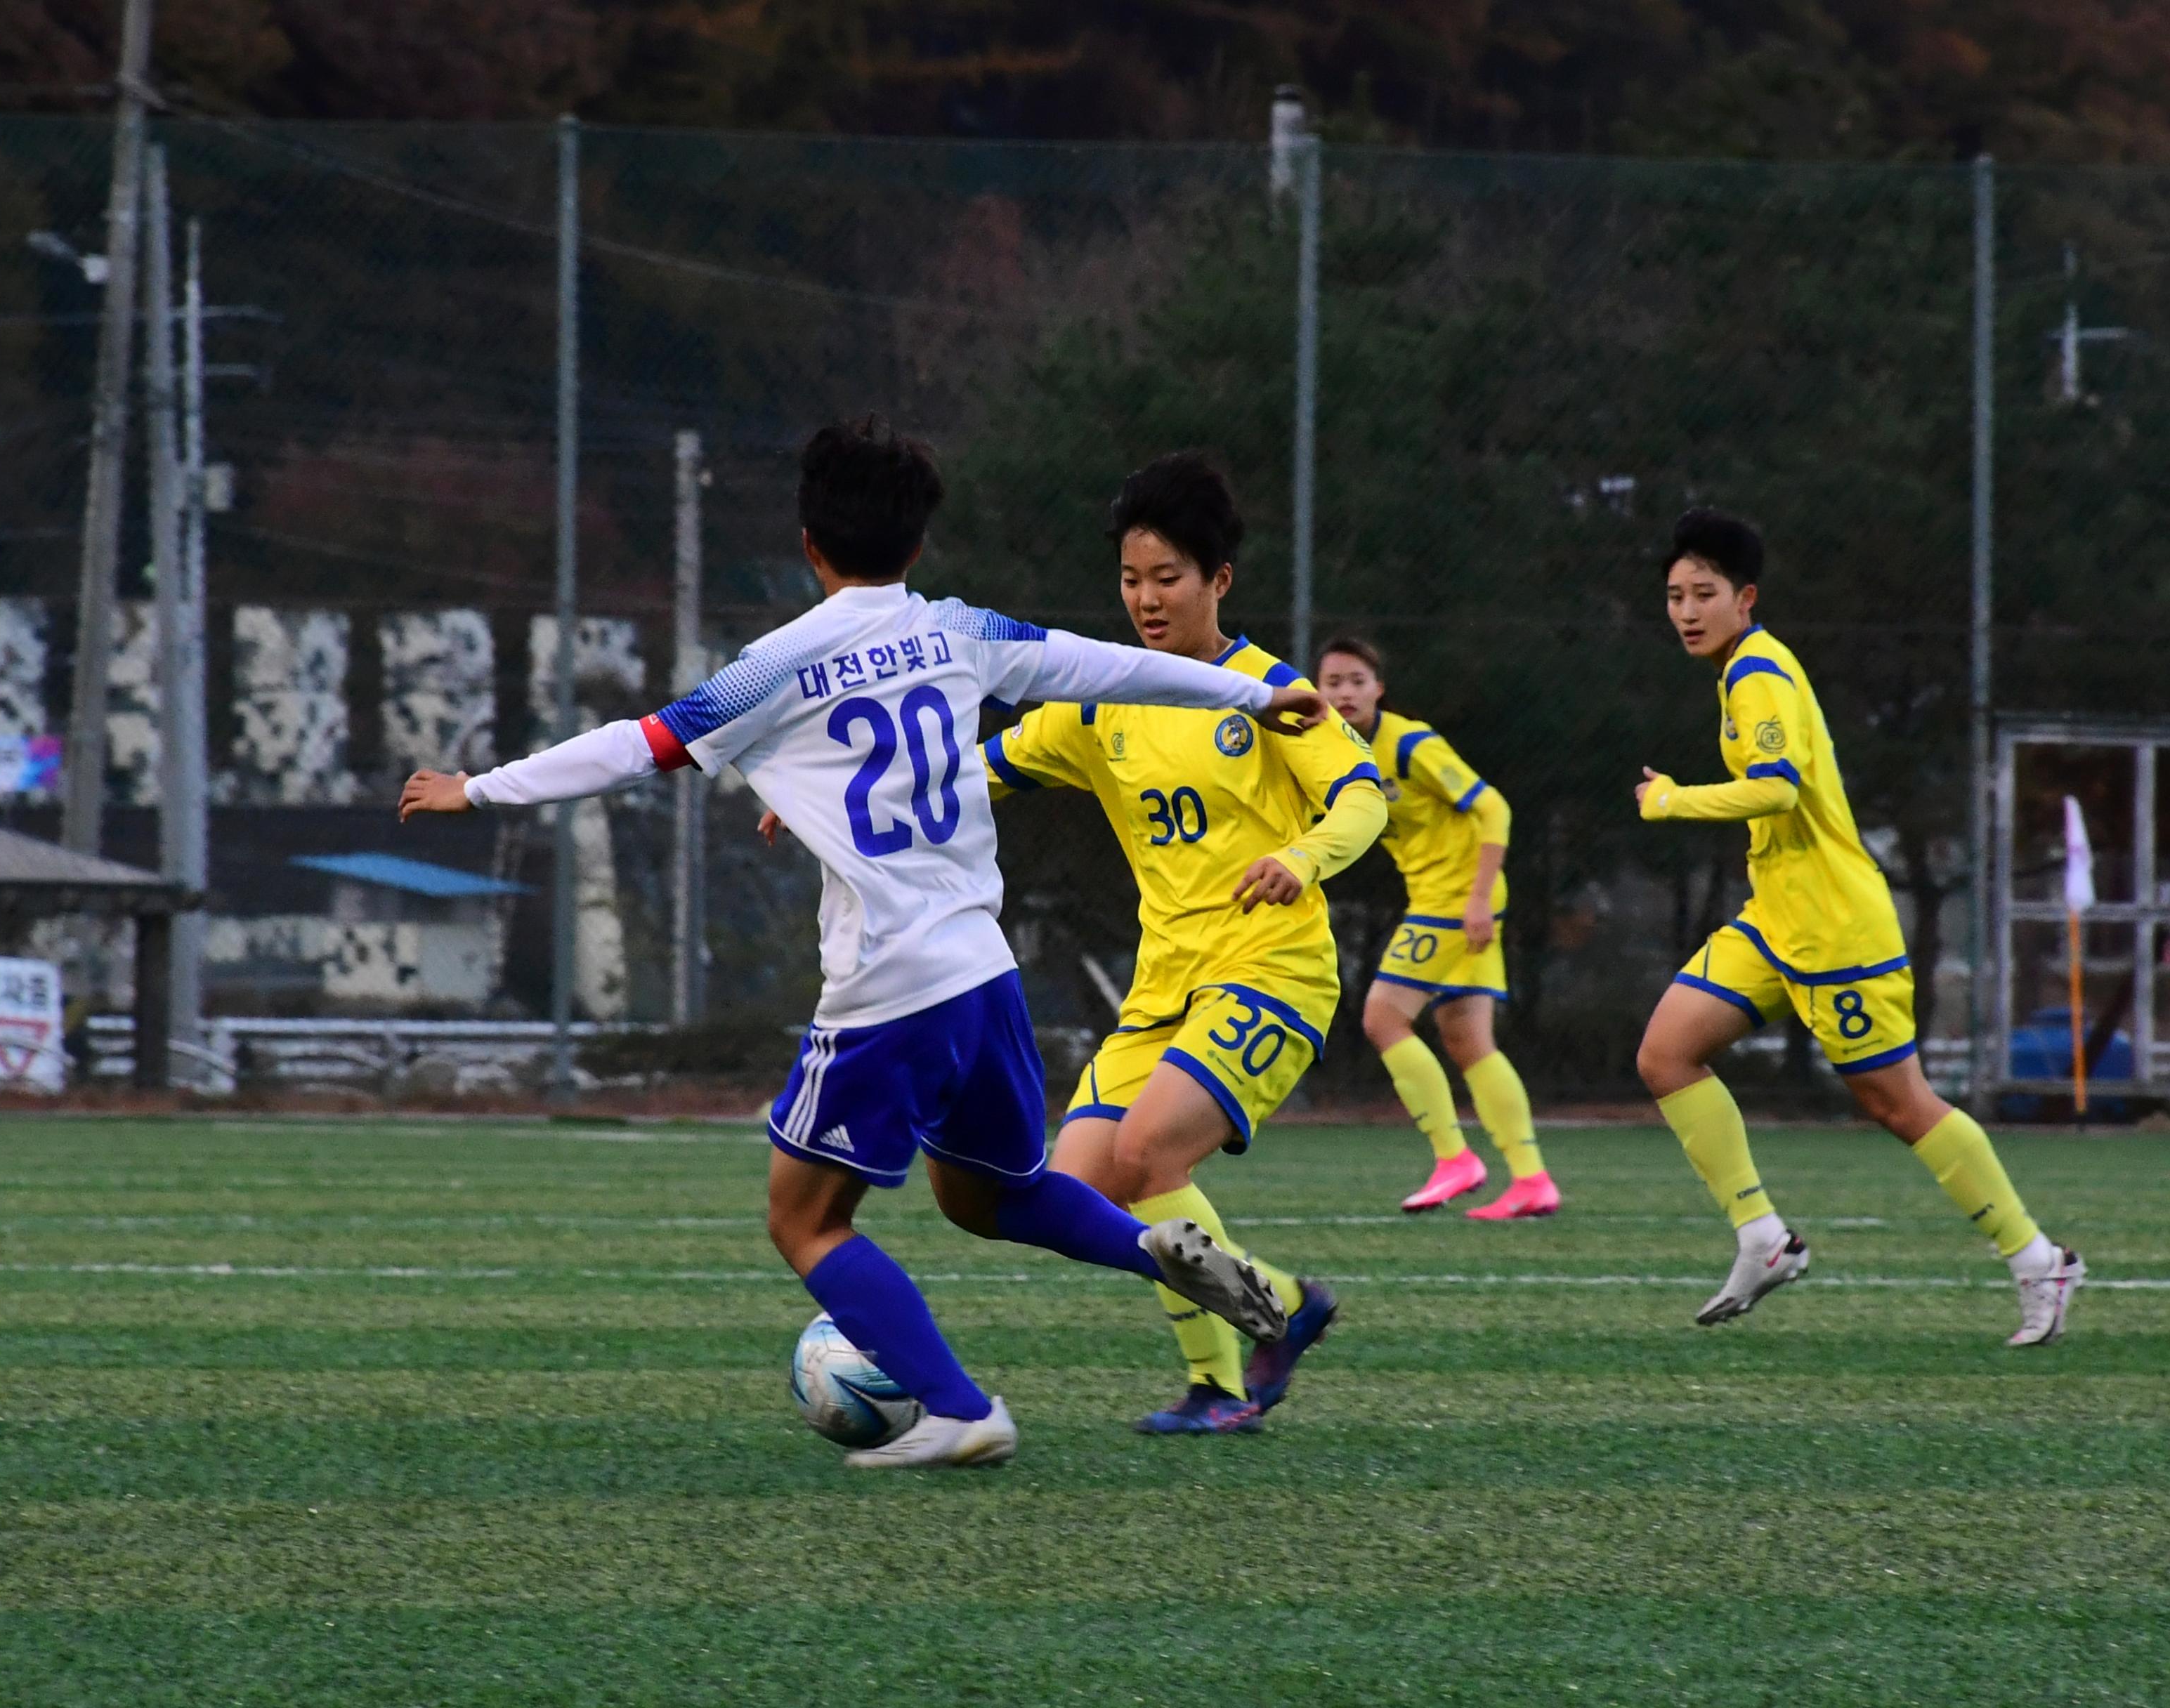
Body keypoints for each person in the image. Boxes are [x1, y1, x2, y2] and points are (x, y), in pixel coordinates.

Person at [400, 417, 1333, 1469]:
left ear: (810, 543)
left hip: (887, 987)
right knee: (994, 1196)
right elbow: (1110, 667)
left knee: (804, 1221)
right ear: (917, 548)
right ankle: (1167, 1254)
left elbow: (637, 746)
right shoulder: (961, 630)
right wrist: (1260, 692)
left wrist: (477, 787)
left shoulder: (777, 665)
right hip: (985, 975)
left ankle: (958, 1407)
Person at [982, 452, 1388, 1433]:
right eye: (1131, 580)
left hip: (1273, 973)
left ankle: (1264, 1333)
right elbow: (981, 765)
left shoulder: (1271, 693)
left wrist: (1304, 856)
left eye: (1169, 578)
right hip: (1163, 990)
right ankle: (1227, 1373)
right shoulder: (1101, 699)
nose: (1147, 600)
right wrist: (840, 800)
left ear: (1220, 582)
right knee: (1065, 1193)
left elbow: (1363, 796)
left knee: (1153, 1144)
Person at [1633, 506, 2086, 1345]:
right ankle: (1762, 1238)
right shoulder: (1741, 670)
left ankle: (2038, 1258)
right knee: (1666, 1053)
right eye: (1674, 595)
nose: (1687, 610)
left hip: (1838, 928)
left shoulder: (1758, 673)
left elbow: (1774, 787)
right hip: (1776, 920)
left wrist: (1672, 801)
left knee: (1898, 1102)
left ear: (1747, 598)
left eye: (1705, 593)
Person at [1314, 636, 1557, 1219]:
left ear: (1380, 689)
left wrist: (1477, 898)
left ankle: (1454, 1159)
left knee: (1382, 1016)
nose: (1345, 693)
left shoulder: (1410, 742)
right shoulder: (1335, 750)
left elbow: (1493, 806)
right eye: (1333, 682)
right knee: (1470, 1041)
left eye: (1357, 681)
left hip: (1457, 899)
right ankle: (1531, 1179)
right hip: (1442, 897)